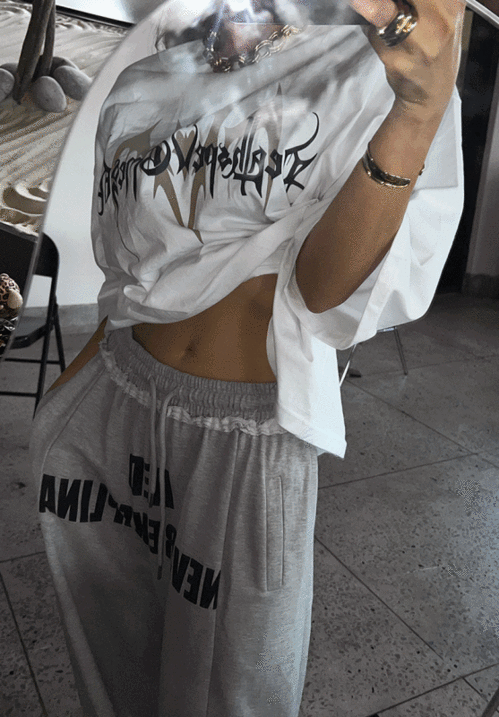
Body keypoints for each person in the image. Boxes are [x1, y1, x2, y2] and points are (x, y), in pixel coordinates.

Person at [29, 0, 465, 715]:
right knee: (111, 667)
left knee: (236, 694)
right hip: (114, 396)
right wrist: (66, 404)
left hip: (245, 436)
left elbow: (321, 290)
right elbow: (133, 278)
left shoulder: (381, 65)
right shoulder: (152, 77)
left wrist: (417, 112)